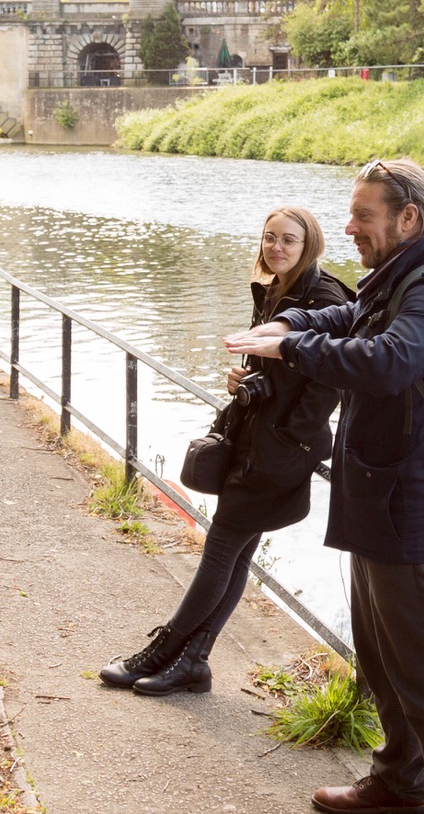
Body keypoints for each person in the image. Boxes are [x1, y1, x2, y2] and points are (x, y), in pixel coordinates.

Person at [224, 159, 424, 814]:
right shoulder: (401, 278)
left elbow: (388, 361)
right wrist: (287, 321)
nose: (347, 227)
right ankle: (399, 780)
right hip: (382, 499)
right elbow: (351, 318)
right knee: (382, 654)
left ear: (408, 219)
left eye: (361, 215)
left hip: (415, 508)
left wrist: (288, 350)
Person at [100, 208, 351, 695]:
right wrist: (243, 378)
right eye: (270, 238)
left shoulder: (324, 296)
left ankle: (161, 651)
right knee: (236, 553)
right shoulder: (274, 289)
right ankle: (195, 661)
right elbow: (277, 366)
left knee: (221, 550)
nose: (276, 247)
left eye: (289, 240)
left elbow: (330, 382)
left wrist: (287, 434)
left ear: (310, 245)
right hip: (254, 435)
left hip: (279, 447)